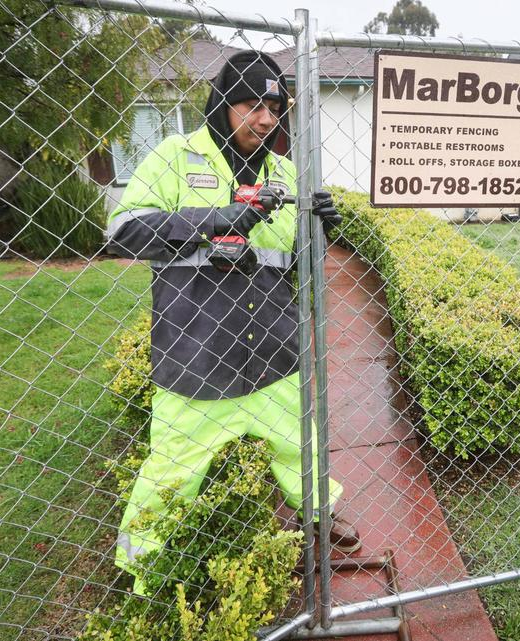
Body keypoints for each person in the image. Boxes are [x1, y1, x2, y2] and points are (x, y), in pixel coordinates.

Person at [103, 50, 359, 595]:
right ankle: (137, 564)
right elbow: (123, 229)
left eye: (274, 106)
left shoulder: (286, 172)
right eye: (251, 104)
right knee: (171, 467)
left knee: (299, 443)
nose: (266, 118)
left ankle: (318, 514)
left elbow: (293, 259)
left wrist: (324, 233)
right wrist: (214, 219)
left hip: (272, 346)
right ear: (223, 104)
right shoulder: (176, 156)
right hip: (197, 351)